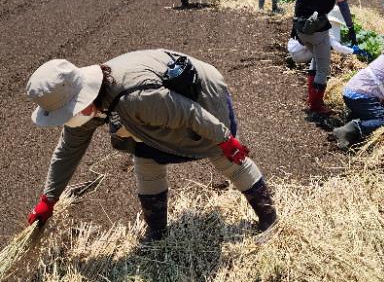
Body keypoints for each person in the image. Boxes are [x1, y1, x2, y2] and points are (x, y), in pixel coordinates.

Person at [24, 50, 277, 241]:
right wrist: (49, 199)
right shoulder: (87, 107)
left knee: (223, 156)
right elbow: (68, 150)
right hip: (161, 105)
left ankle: (269, 219)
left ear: (82, 100)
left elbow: (189, 113)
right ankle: (157, 232)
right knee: (145, 156)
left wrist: (225, 139)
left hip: (200, 95)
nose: (68, 120)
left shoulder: (135, 98)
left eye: (67, 113)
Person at [294, 0, 358, 117]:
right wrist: (350, 28)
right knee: (323, 69)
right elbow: (343, 5)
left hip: (299, 28)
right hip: (316, 29)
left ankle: (311, 98)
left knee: (316, 57)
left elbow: (302, 0)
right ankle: (316, 106)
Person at [287, 6, 366, 66]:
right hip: (300, 54)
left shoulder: (317, 19)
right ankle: (313, 66)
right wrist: (353, 51)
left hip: (293, 48)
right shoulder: (327, 27)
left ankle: (293, 58)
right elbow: (336, 46)